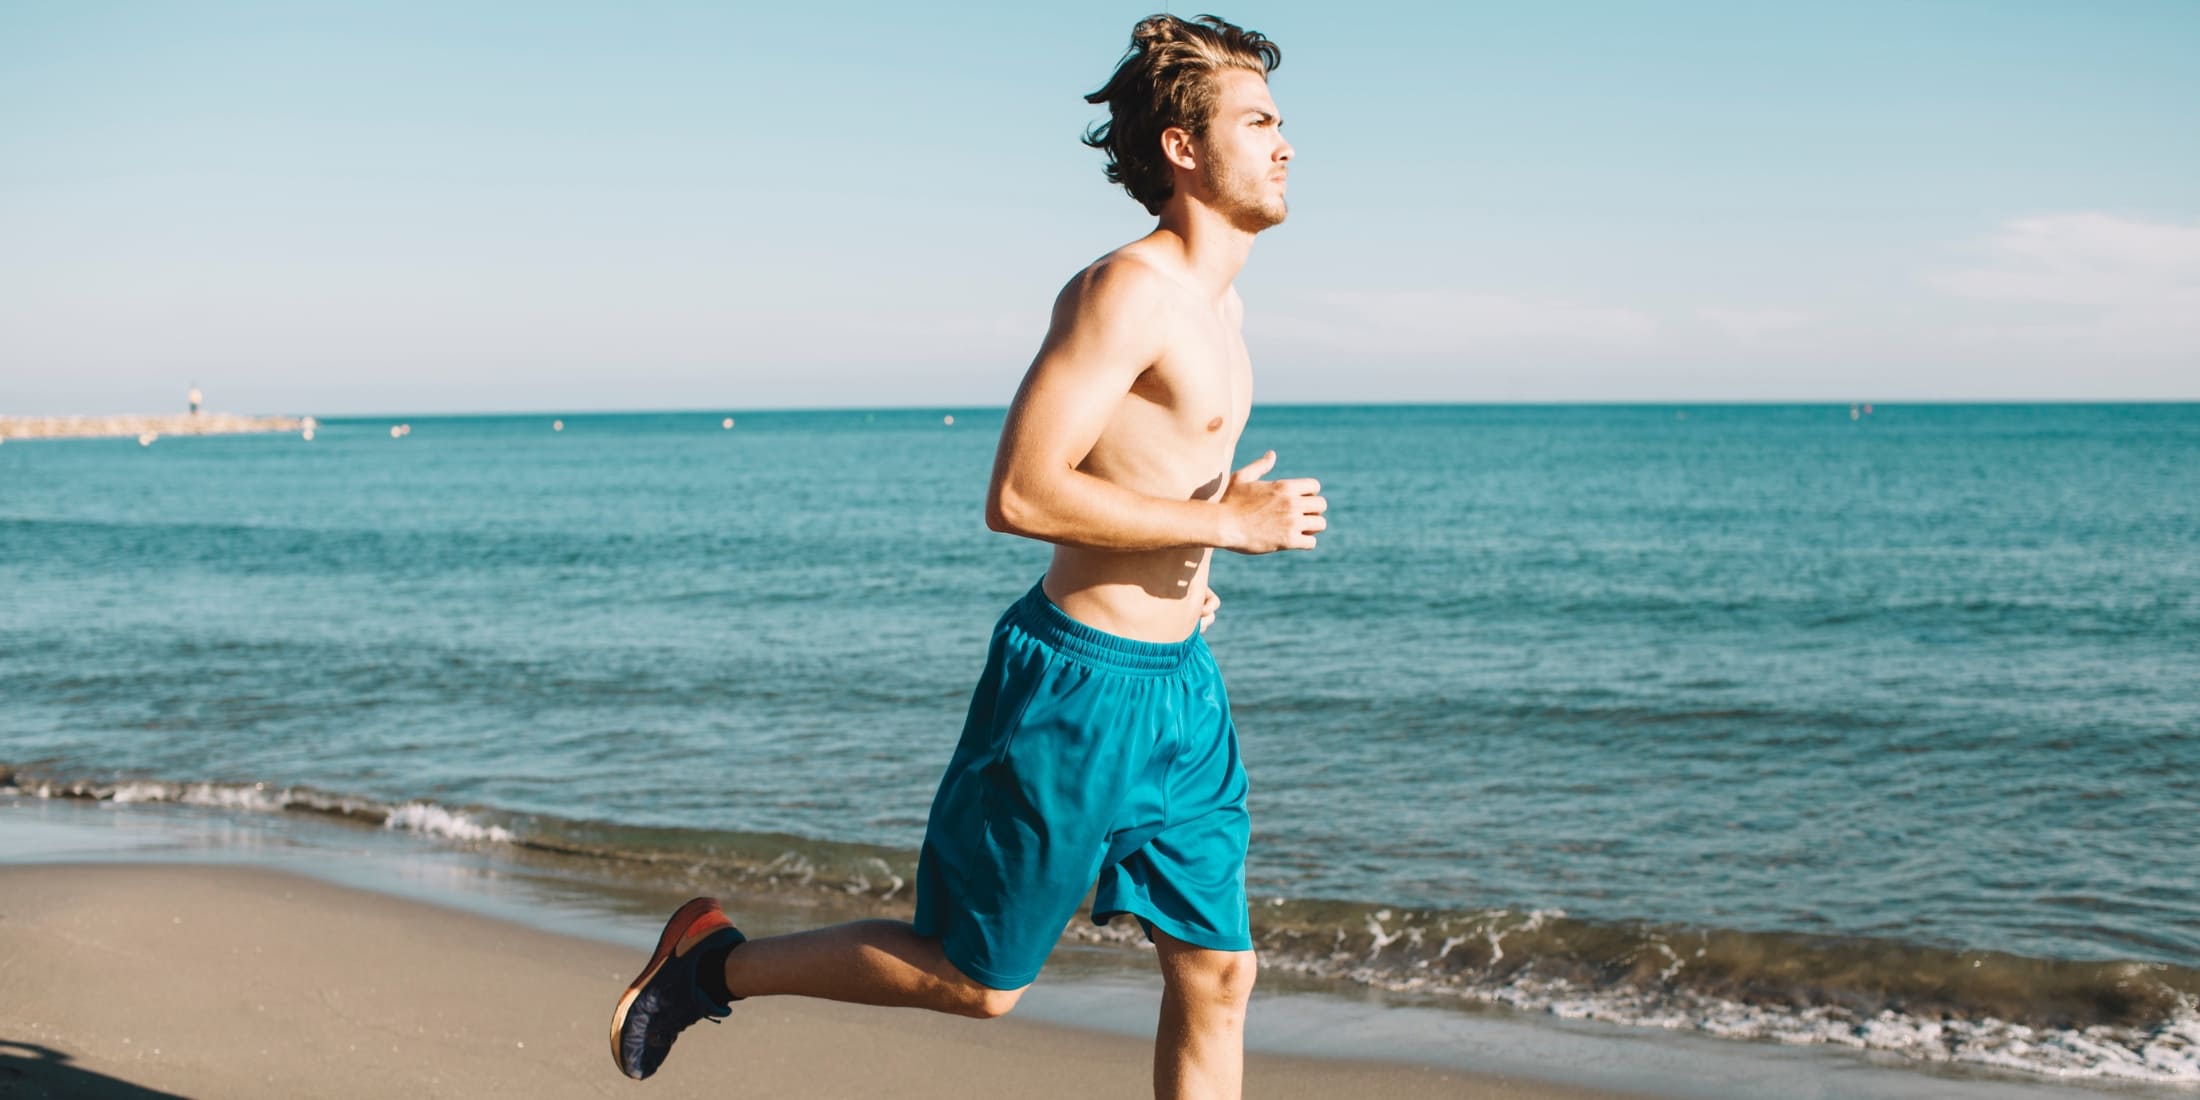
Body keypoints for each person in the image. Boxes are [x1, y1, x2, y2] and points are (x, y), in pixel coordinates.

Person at [610, 14, 1322, 1099]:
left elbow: (1134, 472)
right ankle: (714, 961)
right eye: (1258, 121)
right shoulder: (1124, 291)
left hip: (1180, 691)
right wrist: (1227, 524)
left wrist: (1200, 546)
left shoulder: (1222, 306)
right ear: (1183, 147)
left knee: (1219, 969)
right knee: (979, 980)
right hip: (1078, 688)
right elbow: (1022, 491)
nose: (1284, 143)